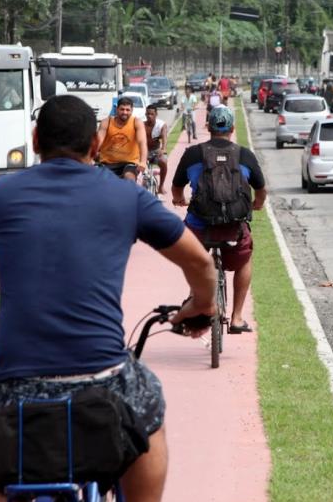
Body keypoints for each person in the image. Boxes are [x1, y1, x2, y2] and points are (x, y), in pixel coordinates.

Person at [0, 95, 217, 502]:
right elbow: (200, 263)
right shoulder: (125, 197)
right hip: (102, 378)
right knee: (151, 411)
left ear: (36, 138)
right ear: (96, 144)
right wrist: (202, 306)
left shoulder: (0, 196)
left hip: (18, 385)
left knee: (11, 456)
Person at [171, 106, 267, 334]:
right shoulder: (244, 154)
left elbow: (176, 187)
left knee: (192, 259)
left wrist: (179, 199)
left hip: (199, 227)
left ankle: (196, 297)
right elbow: (261, 190)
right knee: (244, 260)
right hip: (233, 227)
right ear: (233, 128)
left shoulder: (193, 154)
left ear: (208, 127)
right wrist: (258, 204)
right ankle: (236, 318)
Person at [97, 96, 148, 181]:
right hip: (107, 163)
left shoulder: (136, 122)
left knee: (129, 178)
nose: (125, 112)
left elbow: (142, 142)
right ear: (117, 109)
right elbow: (98, 141)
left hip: (129, 163)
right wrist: (88, 157)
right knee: (100, 182)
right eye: (122, 109)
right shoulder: (106, 122)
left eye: (127, 110)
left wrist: (143, 162)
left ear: (132, 111)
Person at [144, 104, 168, 194]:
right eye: (148, 114)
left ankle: (161, 186)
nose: (149, 116)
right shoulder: (142, 125)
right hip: (144, 152)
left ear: (156, 114)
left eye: (152, 114)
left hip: (156, 152)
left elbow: (165, 137)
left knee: (164, 162)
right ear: (145, 114)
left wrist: (163, 149)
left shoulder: (161, 125)